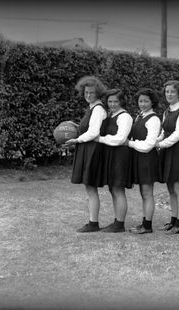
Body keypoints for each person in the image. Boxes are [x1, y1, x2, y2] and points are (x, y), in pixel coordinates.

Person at [65, 76, 108, 233]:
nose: (88, 95)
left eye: (92, 92)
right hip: (87, 149)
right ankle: (92, 221)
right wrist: (76, 126)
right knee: (89, 188)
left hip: (92, 150)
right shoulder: (92, 107)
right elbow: (88, 128)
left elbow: (94, 132)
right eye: (86, 92)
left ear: (98, 93)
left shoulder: (98, 109)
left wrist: (77, 139)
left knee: (91, 187)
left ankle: (93, 223)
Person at [156, 80, 179, 234]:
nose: (169, 94)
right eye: (167, 92)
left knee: (178, 187)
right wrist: (155, 141)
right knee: (170, 187)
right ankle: (173, 219)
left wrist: (161, 144)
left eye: (172, 92)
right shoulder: (166, 111)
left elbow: (178, 134)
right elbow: (163, 132)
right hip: (167, 150)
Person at [96, 88, 133, 233]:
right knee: (113, 188)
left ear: (122, 101)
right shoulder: (112, 115)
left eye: (115, 101)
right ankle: (117, 221)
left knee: (118, 188)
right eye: (110, 101)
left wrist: (101, 139)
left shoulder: (125, 117)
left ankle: (120, 224)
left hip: (120, 156)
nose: (112, 104)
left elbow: (120, 138)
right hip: (111, 154)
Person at [128, 88, 161, 234]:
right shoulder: (140, 116)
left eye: (146, 101)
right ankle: (144, 223)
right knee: (143, 192)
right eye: (140, 101)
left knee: (147, 192)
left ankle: (147, 226)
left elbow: (149, 145)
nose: (142, 104)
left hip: (147, 159)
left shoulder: (153, 119)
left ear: (152, 102)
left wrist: (129, 144)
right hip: (138, 157)